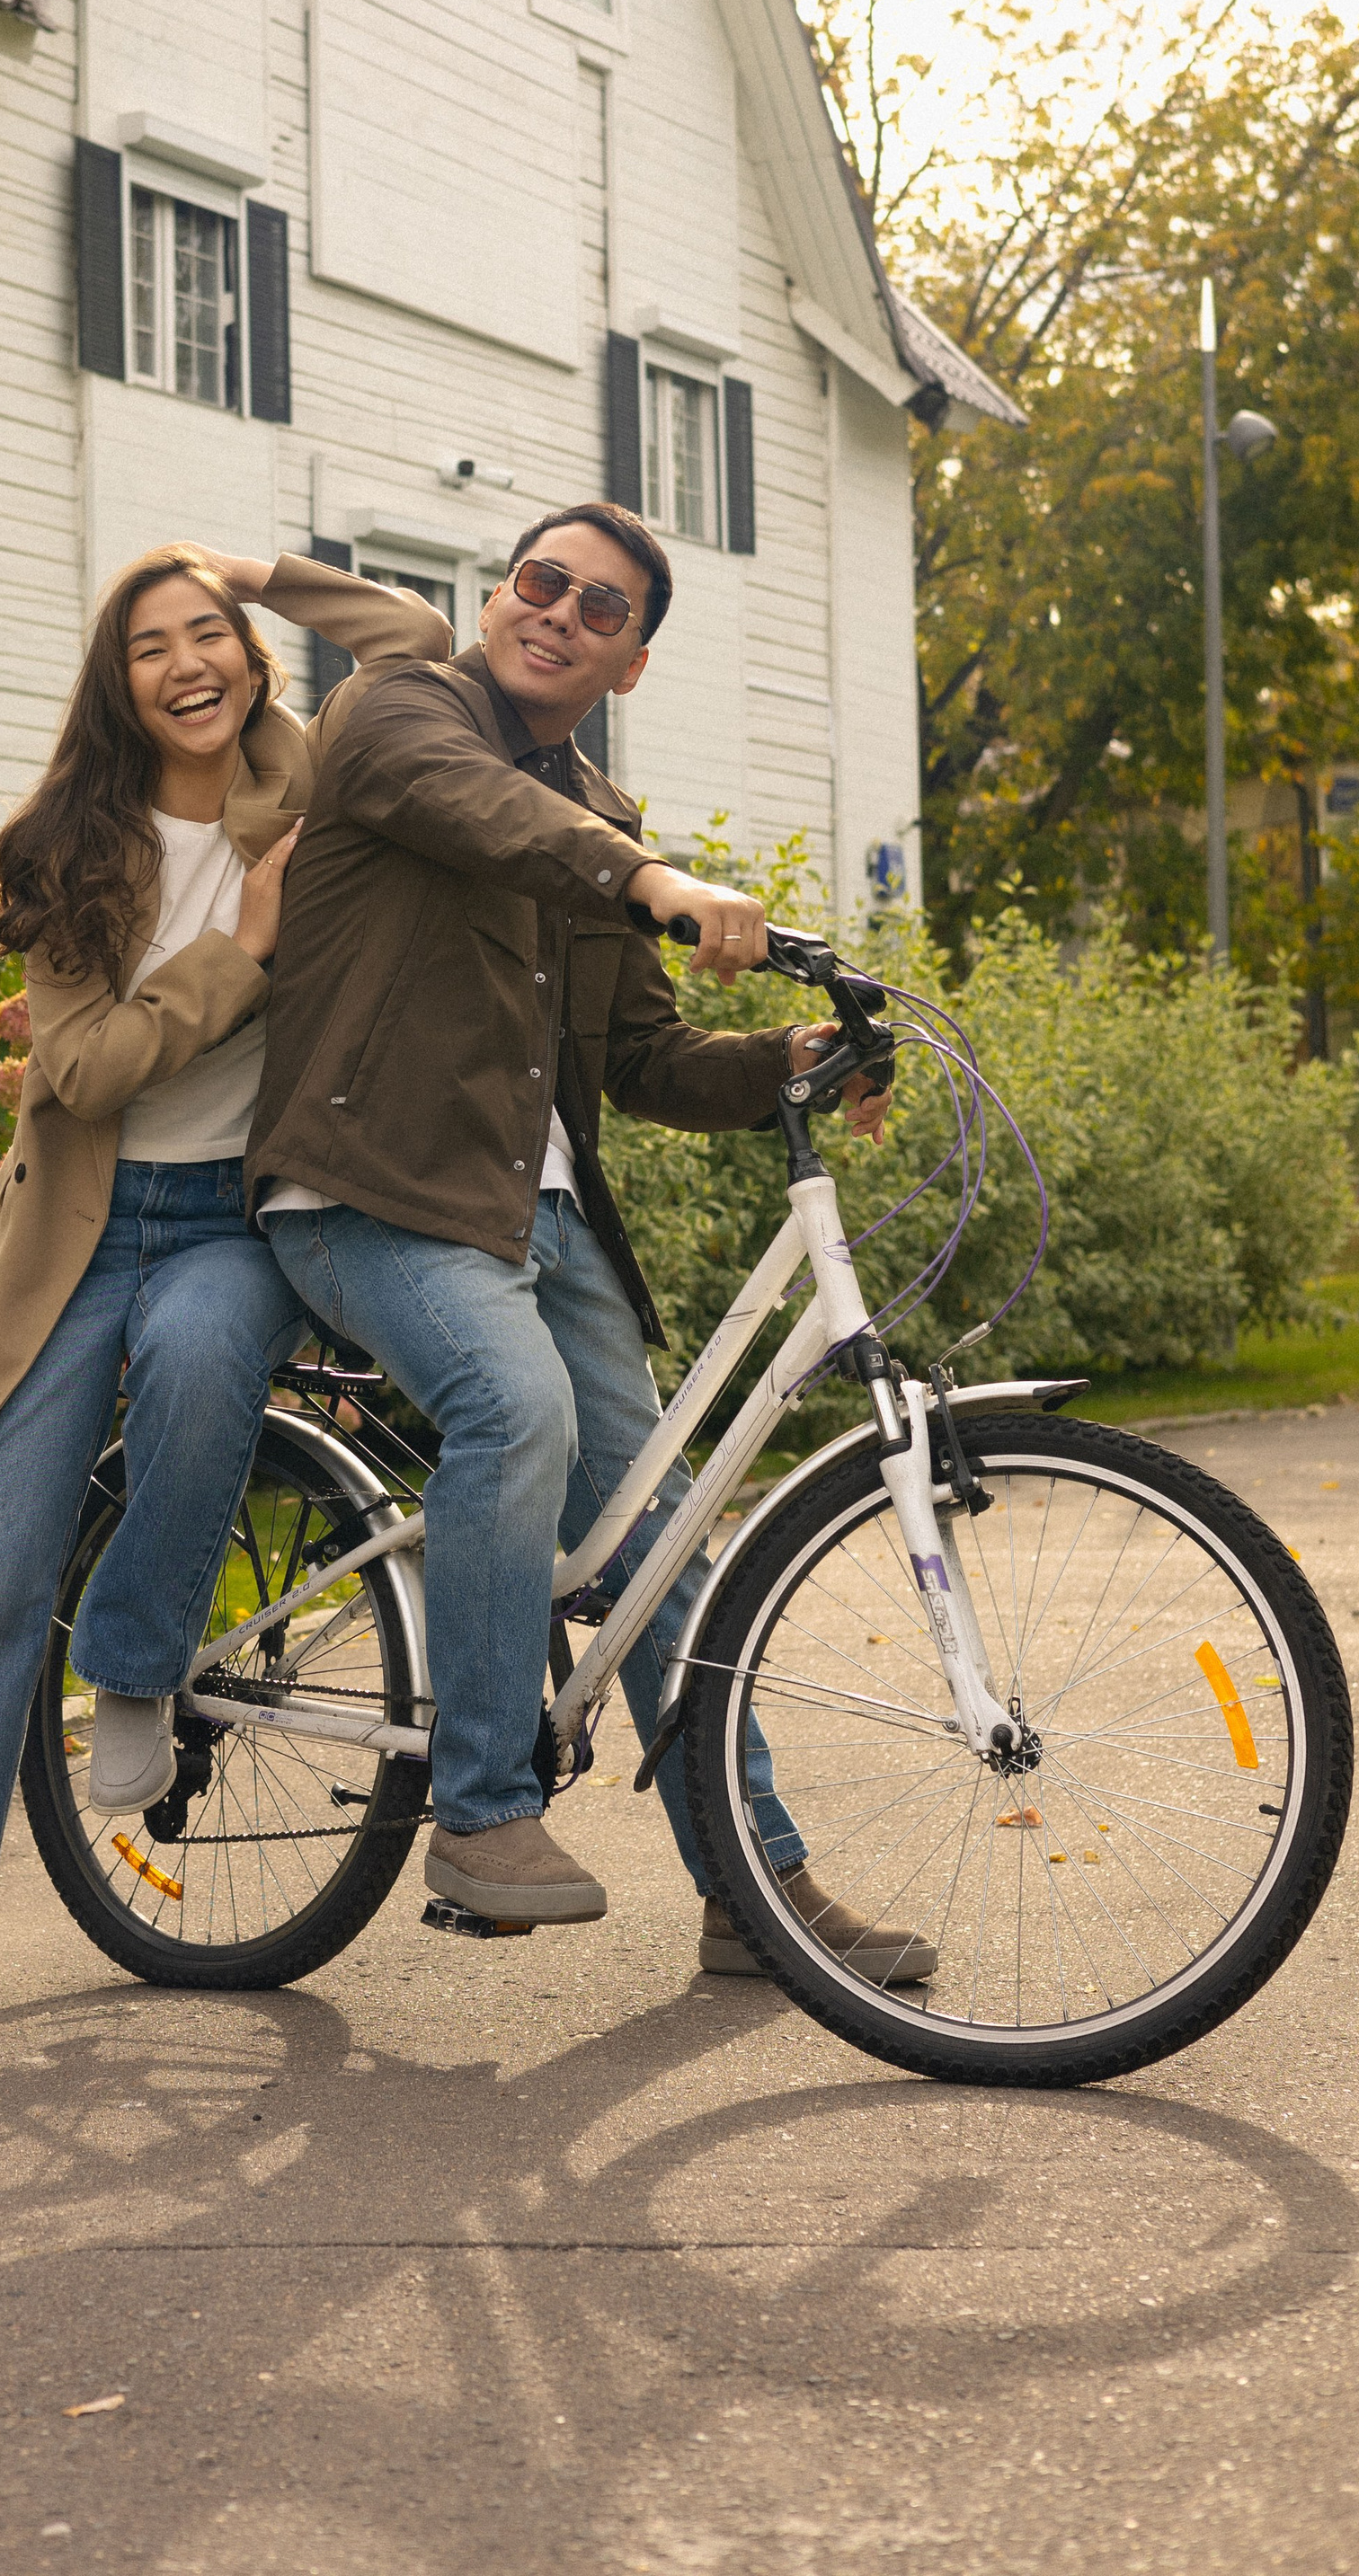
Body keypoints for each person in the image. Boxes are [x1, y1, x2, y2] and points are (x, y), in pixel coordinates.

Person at [249, 502, 937, 1980]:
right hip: (374, 1194)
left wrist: (793, 1059)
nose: (557, 611)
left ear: (627, 665)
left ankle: (753, 1886)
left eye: (601, 607)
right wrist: (654, 881)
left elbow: (641, 1061)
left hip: (538, 1224)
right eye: (542, 581)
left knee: (668, 1545)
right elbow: (484, 812)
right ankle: (480, 1812)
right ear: (504, 597)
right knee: (520, 1412)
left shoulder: (604, 831)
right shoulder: (395, 710)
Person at [0, 546, 450, 2027]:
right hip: (75, 1236)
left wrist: (267, 566)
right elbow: (81, 1072)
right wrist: (240, 952)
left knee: (212, 1361)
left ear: (250, 650)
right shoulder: (65, 847)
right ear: (121, 684)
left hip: (235, 1218)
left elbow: (413, 635)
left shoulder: (317, 782)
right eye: (151, 646)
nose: (187, 663)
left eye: (207, 632)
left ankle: (141, 1664)